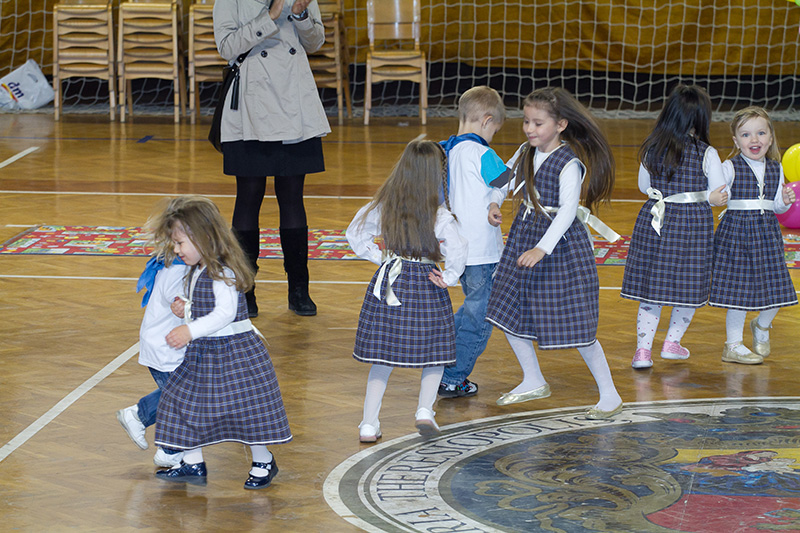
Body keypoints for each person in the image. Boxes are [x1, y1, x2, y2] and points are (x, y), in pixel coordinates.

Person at [484, 87, 623, 419]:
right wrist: (494, 202)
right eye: (526, 122)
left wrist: (541, 249)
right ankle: (532, 378)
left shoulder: (568, 163)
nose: (530, 129)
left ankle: (610, 395)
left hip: (560, 249)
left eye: (538, 123)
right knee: (504, 307)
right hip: (525, 237)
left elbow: (566, 213)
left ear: (560, 125)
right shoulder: (525, 152)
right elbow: (502, 180)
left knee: (577, 323)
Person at [150, 196, 291, 489]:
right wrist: (186, 307)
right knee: (181, 400)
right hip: (205, 352)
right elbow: (204, 306)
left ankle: (263, 460)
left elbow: (224, 313)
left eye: (180, 243)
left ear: (203, 237)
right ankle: (193, 462)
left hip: (234, 353)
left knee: (248, 410)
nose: (176, 250)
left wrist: (189, 330)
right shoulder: (197, 269)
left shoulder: (223, 271)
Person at [213, 0, 331, 318]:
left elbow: (315, 42)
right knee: (248, 196)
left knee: (292, 196)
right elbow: (226, 47)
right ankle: (245, 289)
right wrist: (272, 15)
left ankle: (299, 289)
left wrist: (300, 14)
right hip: (249, 105)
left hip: (295, 101)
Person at [346, 140, 468, 442]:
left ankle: (368, 423)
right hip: (427, 283)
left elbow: (354, 233)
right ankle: (425, 410)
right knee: (436, 352)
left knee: (382, 356)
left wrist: (382, 258)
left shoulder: (384, 205)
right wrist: (449, 276)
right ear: (437, 175)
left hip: (391, 281)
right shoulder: (439, 214)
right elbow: (458, 247)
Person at [621, 85, 729, 370]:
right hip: (692, 226)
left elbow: (644, 187)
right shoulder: (707, 153)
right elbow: (719, 194)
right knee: (690, 284)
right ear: (701, 118)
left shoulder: (651, 147)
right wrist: (711, 197)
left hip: (656, 221)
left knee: (651, 288)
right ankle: (672, 342)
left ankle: (642, 351)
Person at [437, 86, 511, 399]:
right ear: (486, 120)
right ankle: (453, 377)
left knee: (472, 307)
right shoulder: (483, 153)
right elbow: (505, 180)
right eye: (494, 130)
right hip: (482, 252)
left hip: (456, 250)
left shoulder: (445, 151)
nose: (492, 135)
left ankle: (439, 350)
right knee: (480, 318)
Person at [709, 106, 797, 363]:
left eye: (761, 133)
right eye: (746, 135)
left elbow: (776, 207)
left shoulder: (776, 167)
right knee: (738, 292)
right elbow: (715, 195)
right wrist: (715, 197)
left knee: (778, 287)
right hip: (736, 235)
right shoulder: (729, 167)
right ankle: (733, 345)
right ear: (736, 141)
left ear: (770, 138)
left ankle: (761, 325)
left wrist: (785, 201)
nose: (754, 139)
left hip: (767, 235)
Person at [116, 254, 188, 468]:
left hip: (165, 346)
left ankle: (139, 415)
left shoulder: (176, 266)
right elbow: (180, 305)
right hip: (167, 349)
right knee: (182, 399)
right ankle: (169, 451)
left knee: (179, 393)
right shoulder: (178, 271)